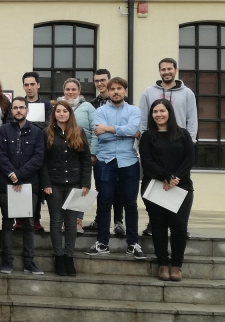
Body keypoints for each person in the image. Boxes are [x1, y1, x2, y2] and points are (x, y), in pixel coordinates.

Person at [85, 77, 145, 259]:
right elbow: (102, 137)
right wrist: (124, 132)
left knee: (130, 203)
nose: (116, 92)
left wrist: (109, 129)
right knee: (104, 202)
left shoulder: (134, 110)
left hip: (129, 162)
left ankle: (133, 243)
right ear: (108, 92)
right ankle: (102, 242)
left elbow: (133, 128)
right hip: (105, 161)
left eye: (119, 88)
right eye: (113, 89)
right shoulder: (100, 111)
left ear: (125, 91)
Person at [138, 58, 198, 237]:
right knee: (156, 186)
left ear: (175, 70)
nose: (166, 72)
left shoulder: (187, 93)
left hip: (178, 147)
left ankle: (179, 225)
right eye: (163, 69)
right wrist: (145, 141)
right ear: (159, 72)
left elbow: (192, 119)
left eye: (169, 69)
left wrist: (190, 143)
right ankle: (154, 222)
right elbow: (143, 119)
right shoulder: (149, 92)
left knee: (178, 186)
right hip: (156, 146)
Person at [139, 99, 195, 282]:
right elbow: (146, 160)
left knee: (179, 226)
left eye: (162, 111)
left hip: (181, 187)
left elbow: (189, 159)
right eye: (155, 111)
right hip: (155, 186)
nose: (158, 114)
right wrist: (165, 177)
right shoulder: (147, 136)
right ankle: (163, 263)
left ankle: (177, 265)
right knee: (158, 226)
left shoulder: (183, 135)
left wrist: (174, 178)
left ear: (169, 112)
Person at [41, 101, 92, 277]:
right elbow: (43, 162)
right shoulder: (47, 133)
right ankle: (59, 256)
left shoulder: (79, 132)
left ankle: (69, 256)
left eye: (65, 111)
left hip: (75, 183)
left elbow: (86, 159)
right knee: (56, 221)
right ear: (54, 114)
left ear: (70, 114)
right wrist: (46, 183)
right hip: (54, 185)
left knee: (71, 223)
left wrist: (86, 183)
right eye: (58, 111)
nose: (61, 114)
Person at [0, 97, 45, 276]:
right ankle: (7, 261)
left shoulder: (37, 132)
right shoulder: (2, 131)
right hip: (7, 183)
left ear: (27, 110)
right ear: (11, 111)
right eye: (15, 108)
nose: (18, 110)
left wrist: (20, 175)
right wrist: (11, 174)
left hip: (28, 185)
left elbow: (39, 158)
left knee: (28, 224)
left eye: (21, 107)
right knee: (7, 223)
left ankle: (29, 262)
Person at [84, 68, 127, 235]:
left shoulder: (124, 102)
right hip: (99, 153)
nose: (100, 83)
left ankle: (118, 221)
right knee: (102, 188)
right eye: (97, 81)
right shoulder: (91, 104)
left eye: (103, 80)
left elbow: (128, 129)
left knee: (118, 188)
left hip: (119, 153)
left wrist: (108, 129)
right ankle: (99, 220)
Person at [57, 78, 98, 234]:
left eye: (74, 89)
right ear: (64, 91)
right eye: (68, 89)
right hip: (61, 154)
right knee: (63, 188)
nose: (70, 92)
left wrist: (92, 153)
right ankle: (63, 221)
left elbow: (95, 131)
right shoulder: (58, 107)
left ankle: (77, 221)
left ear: (79, 91)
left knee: (82, 187)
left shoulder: (88, 107)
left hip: (81, 153)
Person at [21, 72, 52, 232]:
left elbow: (48, 126)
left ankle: (36, 219)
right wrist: (36, 125)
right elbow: (14, 123)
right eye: (26, 85)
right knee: (20, 184)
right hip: (20, 151)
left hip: (40, 150)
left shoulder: (47, 105)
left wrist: (29, 125)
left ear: (38, 85)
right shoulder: (19, 104)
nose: (29, 88)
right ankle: (20, 219)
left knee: (38, 186)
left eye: (32, 84)